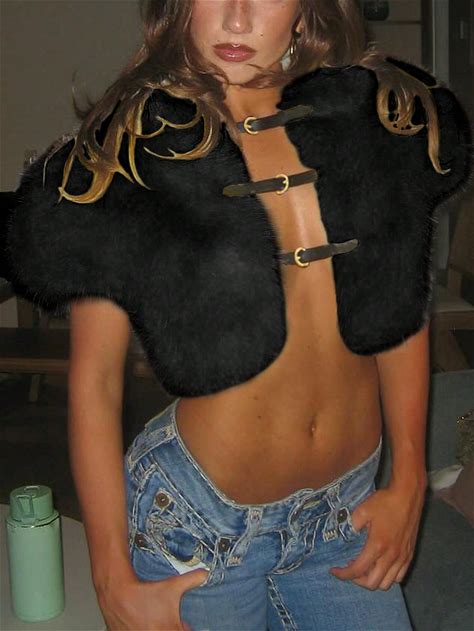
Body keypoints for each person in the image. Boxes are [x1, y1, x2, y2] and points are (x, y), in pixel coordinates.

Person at [4, 1, 472, 630]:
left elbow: (399, 308)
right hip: (200, 526)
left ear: (305, 9)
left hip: (347, 514)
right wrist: (110, 575)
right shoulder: (131, 149)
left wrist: (409, 480)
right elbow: (96, 381)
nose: (236, 18)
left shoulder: (370, 119)